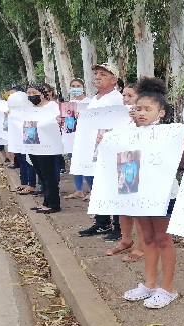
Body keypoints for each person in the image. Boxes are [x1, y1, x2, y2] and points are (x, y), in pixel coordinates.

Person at [123, 77, 181, 308]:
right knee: (147, 237)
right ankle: (149, 284)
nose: (142, 113)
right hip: (138, 194)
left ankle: (168, 288)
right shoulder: (127, 133)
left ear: (161, 112)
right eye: (138, 108)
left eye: (148, 109)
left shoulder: (170, 133)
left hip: (163, 195)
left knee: (163, 238)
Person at [76, 63, 124, 240]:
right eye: (96, 73)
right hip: (95, 151)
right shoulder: (94, 99)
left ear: (114, 80)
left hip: (111, 151)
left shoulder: (116, 99)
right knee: (98, 187)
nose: (97, 76)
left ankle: (118, 227)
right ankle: (102, 222)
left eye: (103, 74)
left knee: (113, 188)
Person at [106, 82, 146, 262]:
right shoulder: (121, 117)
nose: (126, 99)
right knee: (123, 207)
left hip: (139, 169)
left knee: (138, 210)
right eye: (124, 95)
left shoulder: (147, 116)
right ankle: (126, 239)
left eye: (130, 96)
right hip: (123, 168)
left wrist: (137, 120)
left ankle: (141, 246)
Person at [26, 84, 63, 214]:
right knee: (41, 175)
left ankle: (54, 204)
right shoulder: (29, 108)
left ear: (42, 93)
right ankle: (46, 202)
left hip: (47, 146)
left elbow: (56, 122)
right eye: (28, 93)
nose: (31, 96)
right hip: (33, 145)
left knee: (49, 175)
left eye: (33, 92)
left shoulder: (51, 106)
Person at [64, 78, 93, 200]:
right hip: (71, 138)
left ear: (84, 88)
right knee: (75, 163)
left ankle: (93, 190)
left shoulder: (90, 103)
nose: (76, 88)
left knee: (86, 164)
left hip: (86, 138)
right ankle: (79, 190)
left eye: (78, 86)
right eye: (73, 86)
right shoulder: (67, 105)